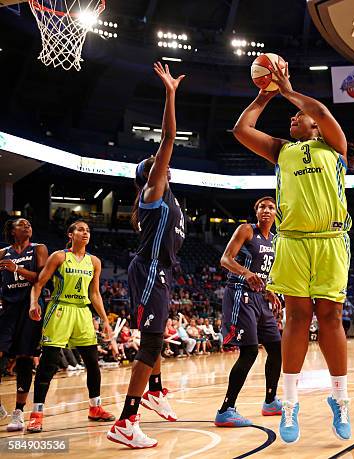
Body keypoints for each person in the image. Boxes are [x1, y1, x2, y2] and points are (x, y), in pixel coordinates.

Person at [233, 63, 354, 443]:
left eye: (297, 116)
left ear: (313, 127)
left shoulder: (334, 146)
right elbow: (241, 130)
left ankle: (341, 400)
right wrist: (262, 96)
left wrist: (288, 90)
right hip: (293, 241)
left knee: (330, 317)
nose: (293, 118)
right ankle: (289, 403)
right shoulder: (282, 150)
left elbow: (321, 111)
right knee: (298, 317)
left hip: (331, 240)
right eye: (291, 115)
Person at [107, 62, 186, 449]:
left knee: (153, 341)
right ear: (150, 176)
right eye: (155, 166)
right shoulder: (153, 195)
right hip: (151, 271)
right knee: (151, 345)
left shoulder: (171, 200)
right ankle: (126, 420)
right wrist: (170, 94)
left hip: (162, 274)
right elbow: (169, 137)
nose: (162, 166)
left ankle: (154, 389)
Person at [27, 221, 115, 432]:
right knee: (48, 363)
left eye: (88, 230)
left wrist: (104, 320)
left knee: (93, 363)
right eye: (81, 230)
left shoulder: (94, 261)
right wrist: (33, 303)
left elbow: (94, 293)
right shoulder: (59, 256)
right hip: (60, 309)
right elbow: (39, 283)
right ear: (70, 234)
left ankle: (95, 407)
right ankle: (36, 413)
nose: (85, 233)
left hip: (83, 312)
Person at [215, 197, 283, 427]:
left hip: (259, 298)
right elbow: (225, 259)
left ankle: (271, 401)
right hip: (239, 293)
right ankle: (226, 410)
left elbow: (262, 274)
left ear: (276, 213)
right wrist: (245, 273)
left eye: (271, 207)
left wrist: (269, 292)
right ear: (256, 212)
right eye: (262, 207)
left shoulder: (275, 240)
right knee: (250, 352)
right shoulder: (246, 230)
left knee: (276, 347)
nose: (266, 210)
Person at [0, 219, 48, 431]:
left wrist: (17, 269)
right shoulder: (2, 253)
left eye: (29, 224)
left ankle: (18, 413)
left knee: (24, 358)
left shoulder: (38, 248)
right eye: (22, 224)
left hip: (30, 307)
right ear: (12, 231)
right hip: (8, 308)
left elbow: (41, 277)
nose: (28, 226)